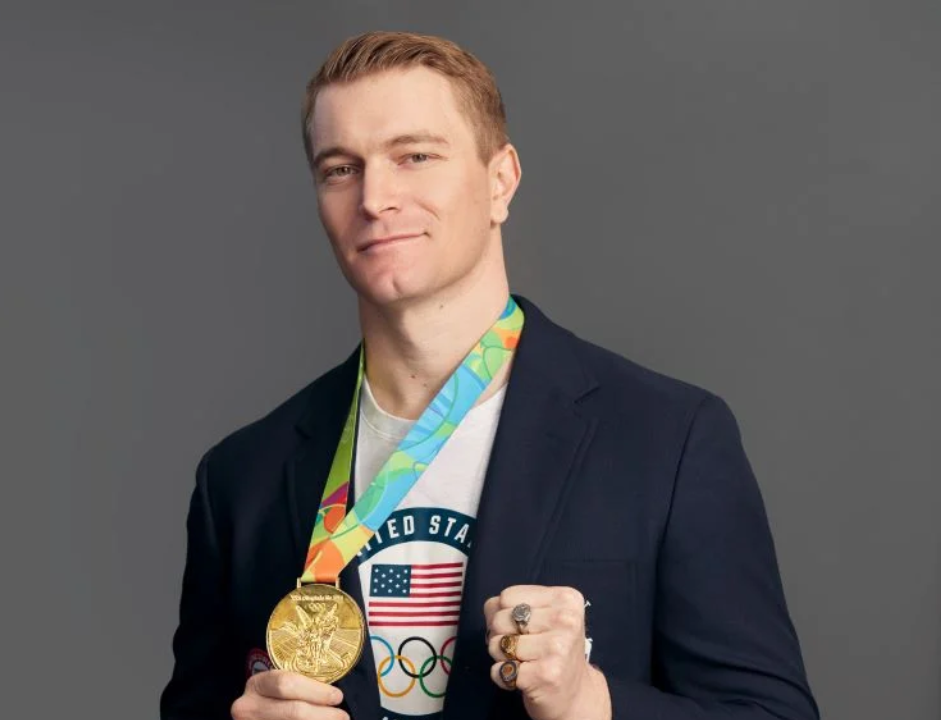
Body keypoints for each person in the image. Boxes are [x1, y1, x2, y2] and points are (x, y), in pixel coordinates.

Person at [159, 30, 820, 720]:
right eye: (339, 169)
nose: (375, 197)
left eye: (414, 156)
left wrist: (592, 703)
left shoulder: (667, 439)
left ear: (499, 180)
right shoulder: (244, 477)